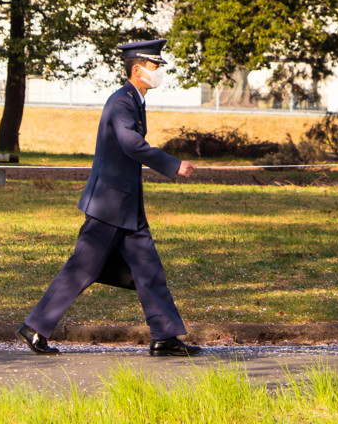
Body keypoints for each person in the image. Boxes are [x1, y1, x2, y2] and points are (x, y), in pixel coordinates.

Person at [17, 38, 202, 357]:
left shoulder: (135, 100)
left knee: (149, 269)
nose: (159, 71)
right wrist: (172, 165)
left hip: (126, 206)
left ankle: (165, 337)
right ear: (138, 68)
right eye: (155, 66)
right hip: (109, 206)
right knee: (81, 269)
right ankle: (35, 327)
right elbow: (130, 143)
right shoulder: (121, 102)